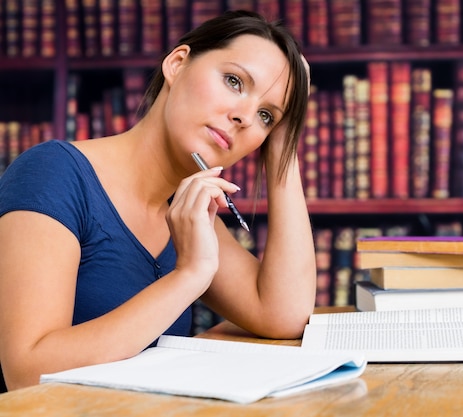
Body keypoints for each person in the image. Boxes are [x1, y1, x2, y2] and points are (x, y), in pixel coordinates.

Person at [0, 10, 315, 391]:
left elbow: (284, 314)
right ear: (177, 64)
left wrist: (284, 140)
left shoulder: (186, 211)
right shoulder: (53, 173)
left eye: (266, 116)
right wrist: (189, 275)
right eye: (234, 81)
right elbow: (27, 373)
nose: (245, 117)